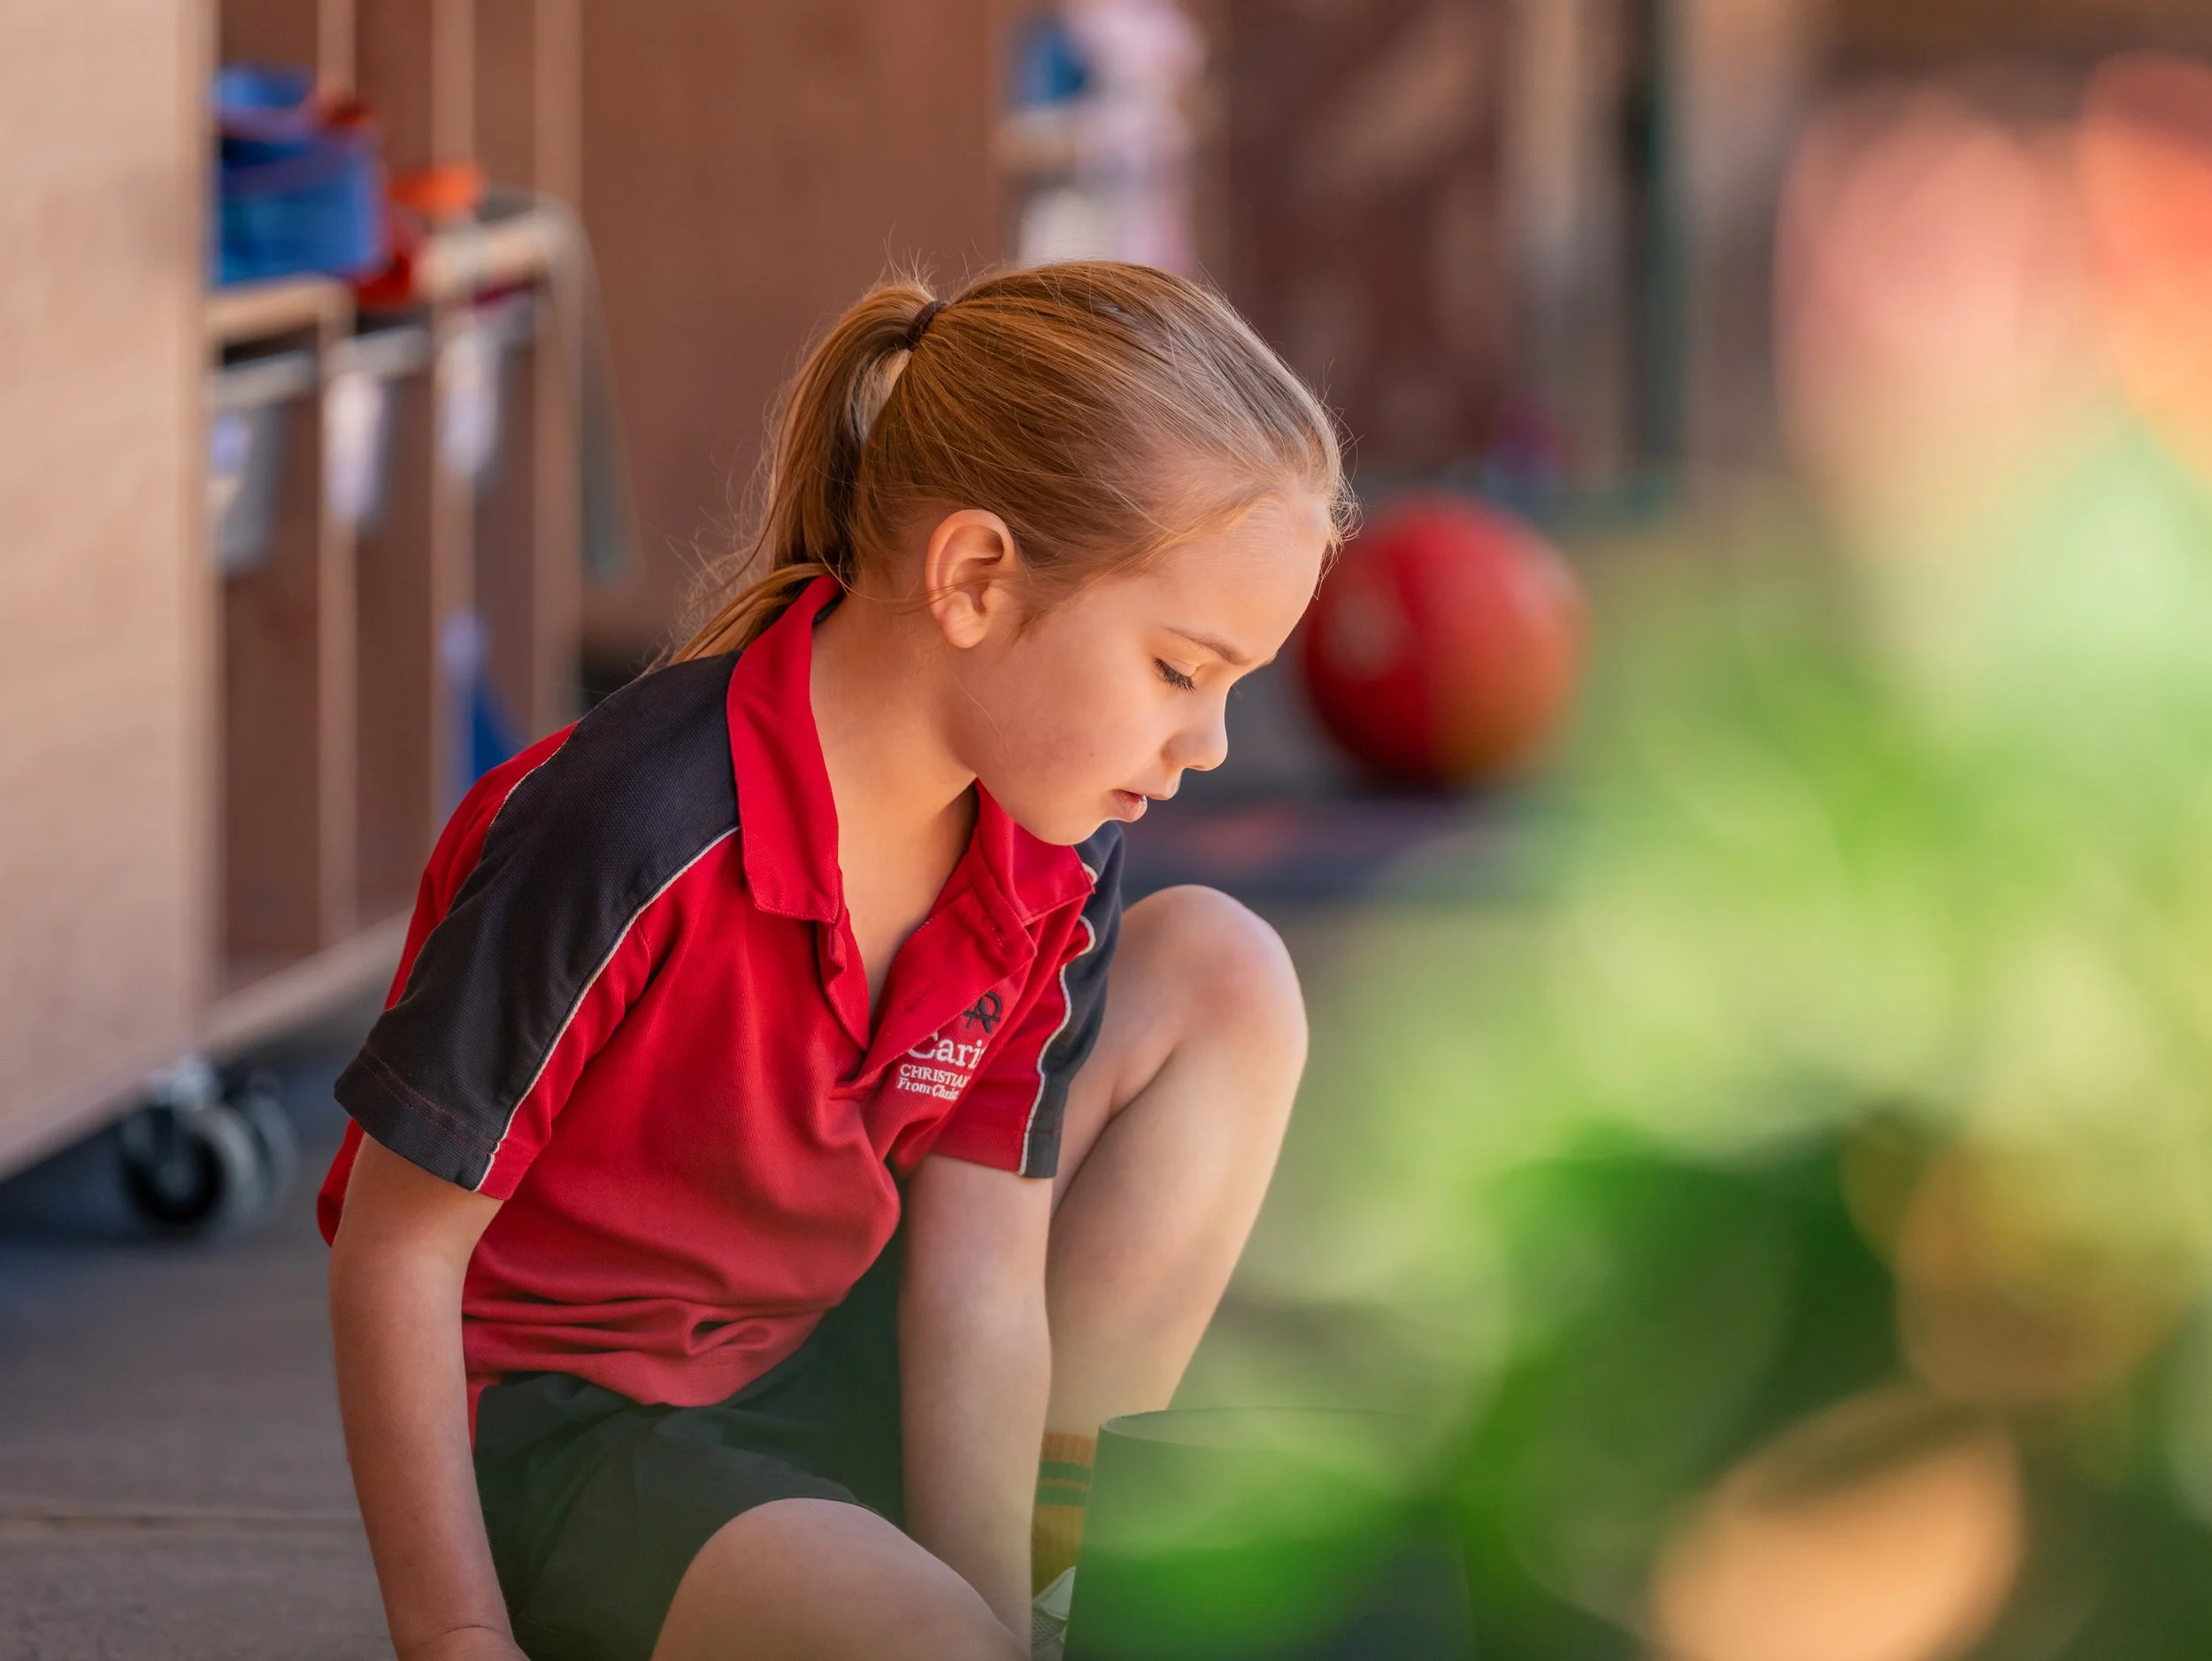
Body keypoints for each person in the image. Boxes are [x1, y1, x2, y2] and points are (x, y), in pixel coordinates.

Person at [320, 260, 1350, 1661]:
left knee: (1225, 973)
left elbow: (985, 1273)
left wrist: (992, 1619)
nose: (1212, 745)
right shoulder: (629, 832)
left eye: (1239, 684)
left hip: (814, 1344)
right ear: (976, 579)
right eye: (1180, 670)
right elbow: (395, 1249)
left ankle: (1054, 1596)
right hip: (586, 1436)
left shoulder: (1050, 834)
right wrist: (454, 1637)